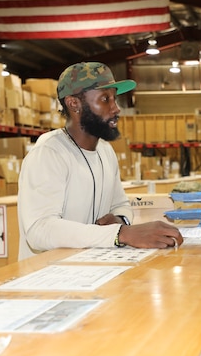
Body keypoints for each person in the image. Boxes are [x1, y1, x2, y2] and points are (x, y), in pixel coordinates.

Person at [17, 62, 183, 260]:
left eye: (114, 98)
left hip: (89, 270)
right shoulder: (49, 153)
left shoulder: (105, 151)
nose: (116, 108)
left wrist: (119, 220)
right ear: (74, 104)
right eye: (105, 99)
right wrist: (120, 234)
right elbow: (39, 230)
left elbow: (120, 204)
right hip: (45, 279)